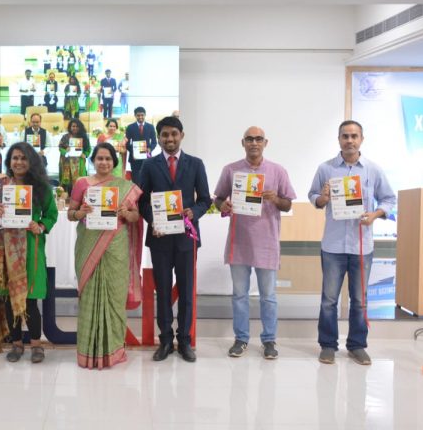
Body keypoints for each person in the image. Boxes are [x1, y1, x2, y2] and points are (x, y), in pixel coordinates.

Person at [308, 120, 396, 366]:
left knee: (359, 300)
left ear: (361, 139)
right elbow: (313, 196)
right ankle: (328, 345)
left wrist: (375, 215)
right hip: (333, 246)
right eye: (345, 136)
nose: (349, 140)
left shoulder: (373, 170)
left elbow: (389, 199)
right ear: (338, 139)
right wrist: (323, 198)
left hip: (361, 246)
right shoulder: (325, 168)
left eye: (354, 136)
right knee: (329, 300)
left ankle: (357, 346)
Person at [213, 126, 296, 360]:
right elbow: (218, 199)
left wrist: (276, 199)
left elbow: (288, 204)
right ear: (243, 143)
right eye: (249, 139)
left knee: (268, 296)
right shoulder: (231, 170)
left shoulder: (278, 171)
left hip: (267, 243)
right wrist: (223, 205)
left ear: (265, 143)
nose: (254, 143)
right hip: (239, 242)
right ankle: (241, 339)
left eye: (258, 139)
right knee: (239, 295)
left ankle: (269, 340)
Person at [138, 116, 211, 363]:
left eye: (173, 134)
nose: (169, 139)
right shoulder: (149, 166)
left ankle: (185, 341)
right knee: (162, 292)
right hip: (160, 239)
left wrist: (194, 212)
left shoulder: (196, 164)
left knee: (187, 291)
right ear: (158, 138)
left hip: (186, 239)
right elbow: (142, 201)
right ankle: (166, 340)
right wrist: (154, 220)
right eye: (164, 135)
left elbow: (205, 199)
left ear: (181, 135)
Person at [68, 143, 142, 369]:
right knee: (90, 295)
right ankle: (89, 352)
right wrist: (80, 212)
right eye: (99, 158)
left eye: (108, 159)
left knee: (114, 297)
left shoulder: (124, 186)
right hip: (89, 244)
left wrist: (126, 213)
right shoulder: (82, 183)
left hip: (116, 246)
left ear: (114, 162)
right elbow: (70, 214)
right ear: (93, 160)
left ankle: (113, 352)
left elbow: (136, 217)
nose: (104, 162)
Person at [0, 142, 58, 363]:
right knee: (8, 298)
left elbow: (51, 214)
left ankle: (36, 344)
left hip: (31, 247)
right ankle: (16, 344)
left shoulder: (41, 187)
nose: (19, 162)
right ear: (9, 161)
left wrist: (40, 226)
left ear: (31, 161)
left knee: (31, 300)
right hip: (4, 248)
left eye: (24, 158)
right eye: (15, 158)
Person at [58, 118, 91, 195]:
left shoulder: (84, 137)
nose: (75, 128)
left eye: (77, 126)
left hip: (79, 162)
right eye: (73, 126)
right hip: (67, 163)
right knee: (67, 182)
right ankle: (66, 197)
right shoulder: (65, 137)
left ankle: (78, 196)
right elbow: (60, 147)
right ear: (70, 127)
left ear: (80, 127)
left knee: (79, 181)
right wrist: (66, 152)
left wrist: (85, 154)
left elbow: (88, 149)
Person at [124, 107, 157, 184]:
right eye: (138, 115)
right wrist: (133, 152)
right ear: (135, 116)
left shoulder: (150, 127)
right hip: (134, 158)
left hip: (147, 156)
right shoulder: (130, 127)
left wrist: (150, 149)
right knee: (136, 180)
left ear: (145, 115)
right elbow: (127, 143)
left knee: (147, 179)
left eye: (142, 115)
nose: (140, 117)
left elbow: (154, 142)